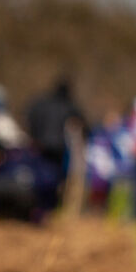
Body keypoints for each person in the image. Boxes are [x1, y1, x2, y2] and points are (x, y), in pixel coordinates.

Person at [26, 78, 87, 213]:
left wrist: (34, 135)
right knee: (56, 178)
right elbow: (83, 121)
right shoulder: (68, 104)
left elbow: (30, 116)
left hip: (40, 145)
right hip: (59, 147)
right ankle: (50, 206)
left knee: (40, 176)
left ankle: (40, 205)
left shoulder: (41, 103)